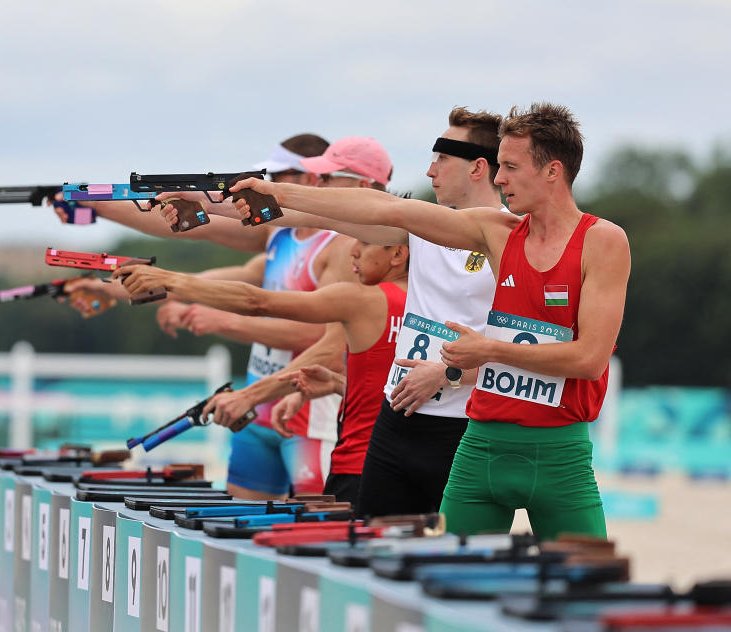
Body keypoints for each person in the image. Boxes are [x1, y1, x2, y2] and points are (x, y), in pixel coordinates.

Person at [229, 103, 630, 539]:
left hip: (554, 449)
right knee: (414, 574)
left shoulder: (602, 240)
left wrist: (477, 358)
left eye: (511, 167)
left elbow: (590, 359)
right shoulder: (494, 230)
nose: (500, 177)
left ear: (553, 171)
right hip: (477, 443)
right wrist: (278, 194)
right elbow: (385, 210)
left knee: (582, 587)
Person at [180, 108, 508, 518]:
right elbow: (314, 214)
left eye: (441, 159)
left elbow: (528, 353)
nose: (429, 171)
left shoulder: (514, 236)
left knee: (451, 556)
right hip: (398, 419)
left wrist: (450, 373)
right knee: (366, 552)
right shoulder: (426, 226)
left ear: (478, 167)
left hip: (466, 427)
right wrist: (201, 201)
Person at [56, 134, 363, 500]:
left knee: (311, 535)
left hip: (307, 415)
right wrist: (105, 263)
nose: (269, 183)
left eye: (281, 174)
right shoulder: (277, 235)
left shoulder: (340, 247)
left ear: (312, 178)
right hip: (255, 408)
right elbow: (194, 249)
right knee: (243, 534)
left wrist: (223, 322)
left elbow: (318, 338)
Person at [120, 237, 408, 504]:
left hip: (350, 456)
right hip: (397, 461)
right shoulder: (432, 301)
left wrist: (172, 281)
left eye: (366, 240)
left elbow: (258, 302)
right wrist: (336, 384)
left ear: (398, 253)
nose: (353, 250)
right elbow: (398, 393)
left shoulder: (360, 296)